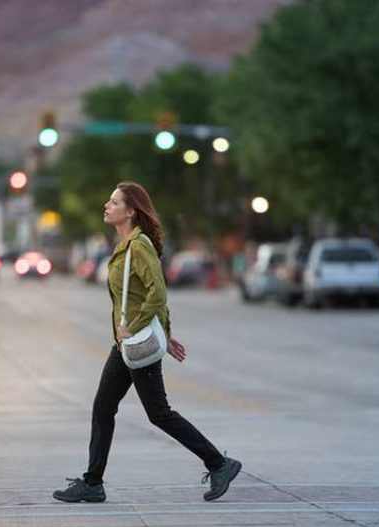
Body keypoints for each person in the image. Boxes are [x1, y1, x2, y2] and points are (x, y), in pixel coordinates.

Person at [53, 182, 241, 504]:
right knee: (103, 407)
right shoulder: (124, 246)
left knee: (159, 413)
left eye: (113, 202)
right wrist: (163, 335)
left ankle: (219, 463)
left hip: (134, 343)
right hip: (127, 344)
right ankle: (93, 482)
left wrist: (140, 329)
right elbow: (149, 297)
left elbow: (158, 293)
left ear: (130, 211)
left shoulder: (138, 246)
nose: (106, 206)